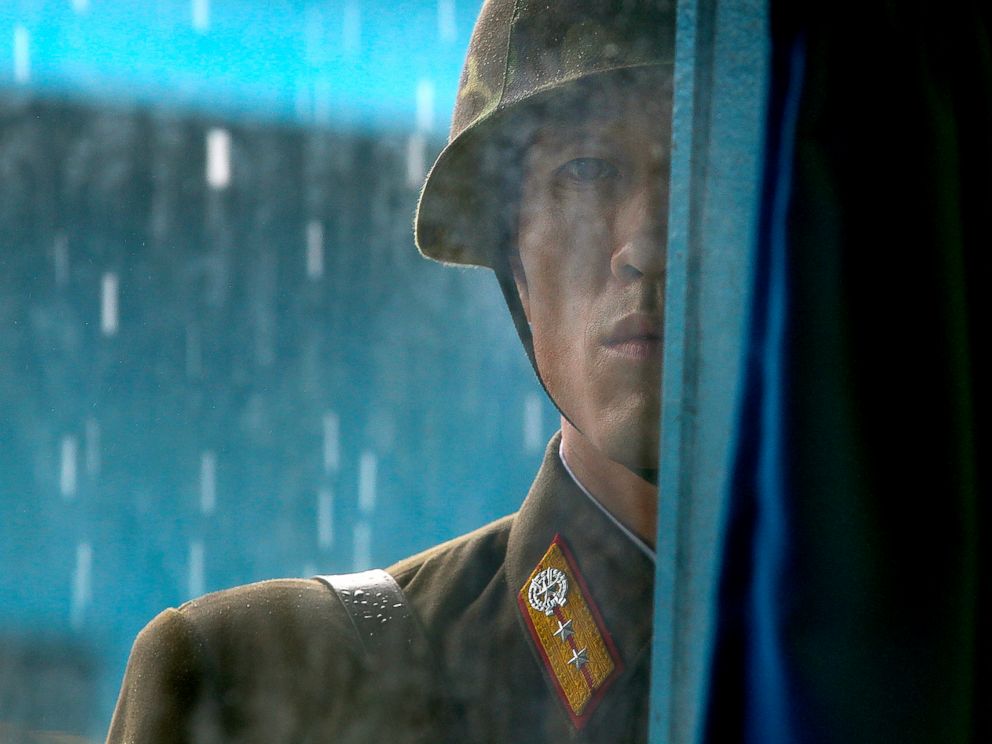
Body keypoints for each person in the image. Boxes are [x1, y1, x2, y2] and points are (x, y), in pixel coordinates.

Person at [105, 1, 675, 742]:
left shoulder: (869, 674)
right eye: (588, 168)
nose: (649, 247)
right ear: (513, 263)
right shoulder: (261, 685)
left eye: (713, 171)